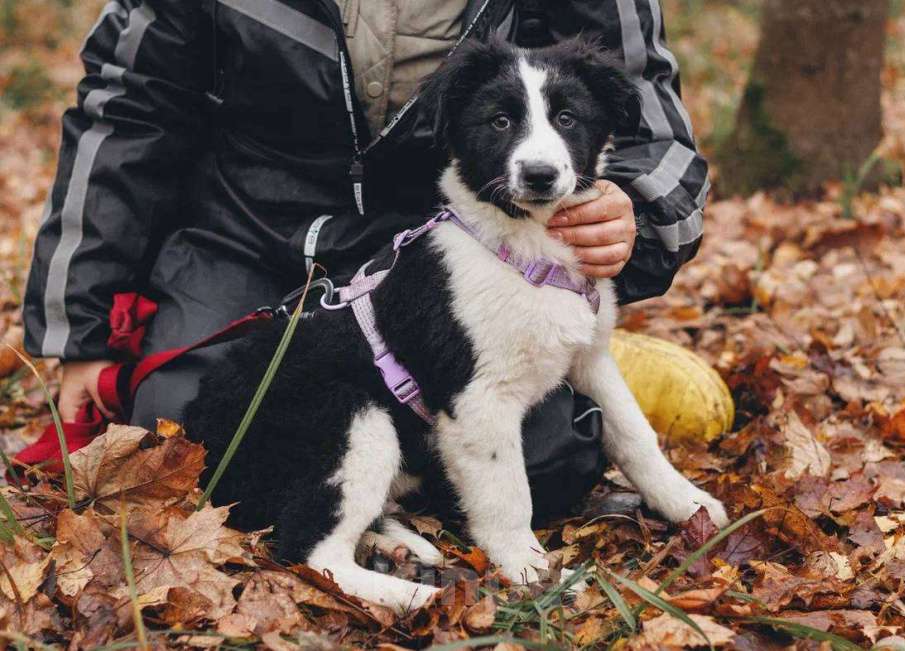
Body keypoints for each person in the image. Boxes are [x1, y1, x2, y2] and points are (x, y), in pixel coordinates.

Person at [22, 0, 709, 522]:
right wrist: (83, 331)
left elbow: (653, 125)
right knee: (191, 435)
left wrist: (633, 212)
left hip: (446, 252)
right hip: (243, 231)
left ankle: (566, 349)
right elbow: (129, 107)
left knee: (547, 459)